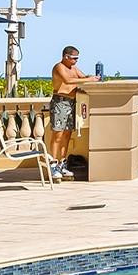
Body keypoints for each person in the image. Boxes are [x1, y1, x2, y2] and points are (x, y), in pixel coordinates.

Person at [47, 46, 98, 179]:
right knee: (57, 134)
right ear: (66, 57)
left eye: (77, 58)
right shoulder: (59, 67)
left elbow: (82, 77)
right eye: (74, 58)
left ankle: (62, 164)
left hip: (72, 102)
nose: (76, 61)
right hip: (60, 102)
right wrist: (87, 79)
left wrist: (92, 78)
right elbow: (67, 81)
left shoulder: (73, 68)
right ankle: (53, 164)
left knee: (67, 135)